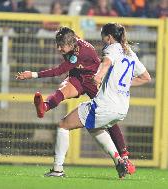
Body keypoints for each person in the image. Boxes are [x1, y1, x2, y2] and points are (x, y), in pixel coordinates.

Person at [16, 26, 136, 176]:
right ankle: (44, 107)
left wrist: (32, 74)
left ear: (71, 44)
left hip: (92, 80)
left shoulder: (78, 54)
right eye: (57, 44)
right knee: (64, 89)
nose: (59, 48)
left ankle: (123, 157)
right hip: (79, 76)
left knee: (105, 121)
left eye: (61, 45)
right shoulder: (72, 41)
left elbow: (58, 71)